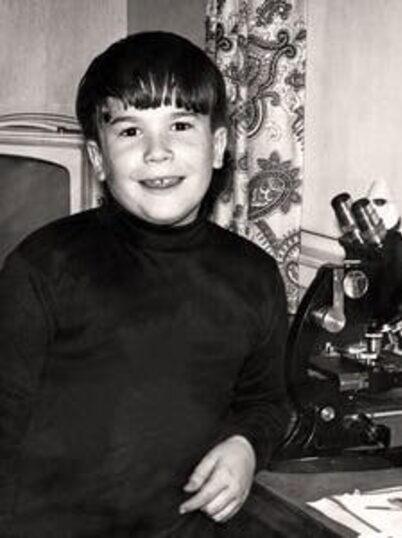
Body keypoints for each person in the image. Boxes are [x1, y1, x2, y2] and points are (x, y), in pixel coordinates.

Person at [0, 32, 291, 537]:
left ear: (218, 146)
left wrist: (246, 446)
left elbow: (267, 401)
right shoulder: (43, 266)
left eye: (180, 125)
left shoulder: (255, 275)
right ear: (97, 159)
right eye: (130, 132)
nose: (157, 152)